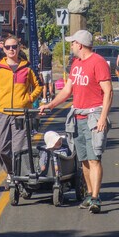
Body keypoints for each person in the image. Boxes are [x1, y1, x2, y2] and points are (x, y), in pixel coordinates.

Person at [40, 30, 112, 214]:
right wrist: (51, 105)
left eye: (72, 43)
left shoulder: (98, 62)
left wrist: (103, 117)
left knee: (94, 158)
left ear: (80, 44)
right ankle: (89, 194)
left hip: (93, 116)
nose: (71, 45)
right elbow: (67, 90)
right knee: (84, 160)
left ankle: (96, 198)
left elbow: (108, 91)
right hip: (77, 117)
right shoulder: (76, 64)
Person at [0, 35, 42, 185]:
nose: (11, 50)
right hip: (2, 113)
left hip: (21, 114)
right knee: (0, 149)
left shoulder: (27, 67)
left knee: (19, 149)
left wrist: (28, 99)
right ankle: (11, 172)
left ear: (19, 47)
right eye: (8, 47)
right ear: (3, 48)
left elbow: (39, 86)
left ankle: (19, 179)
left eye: (14, 46)